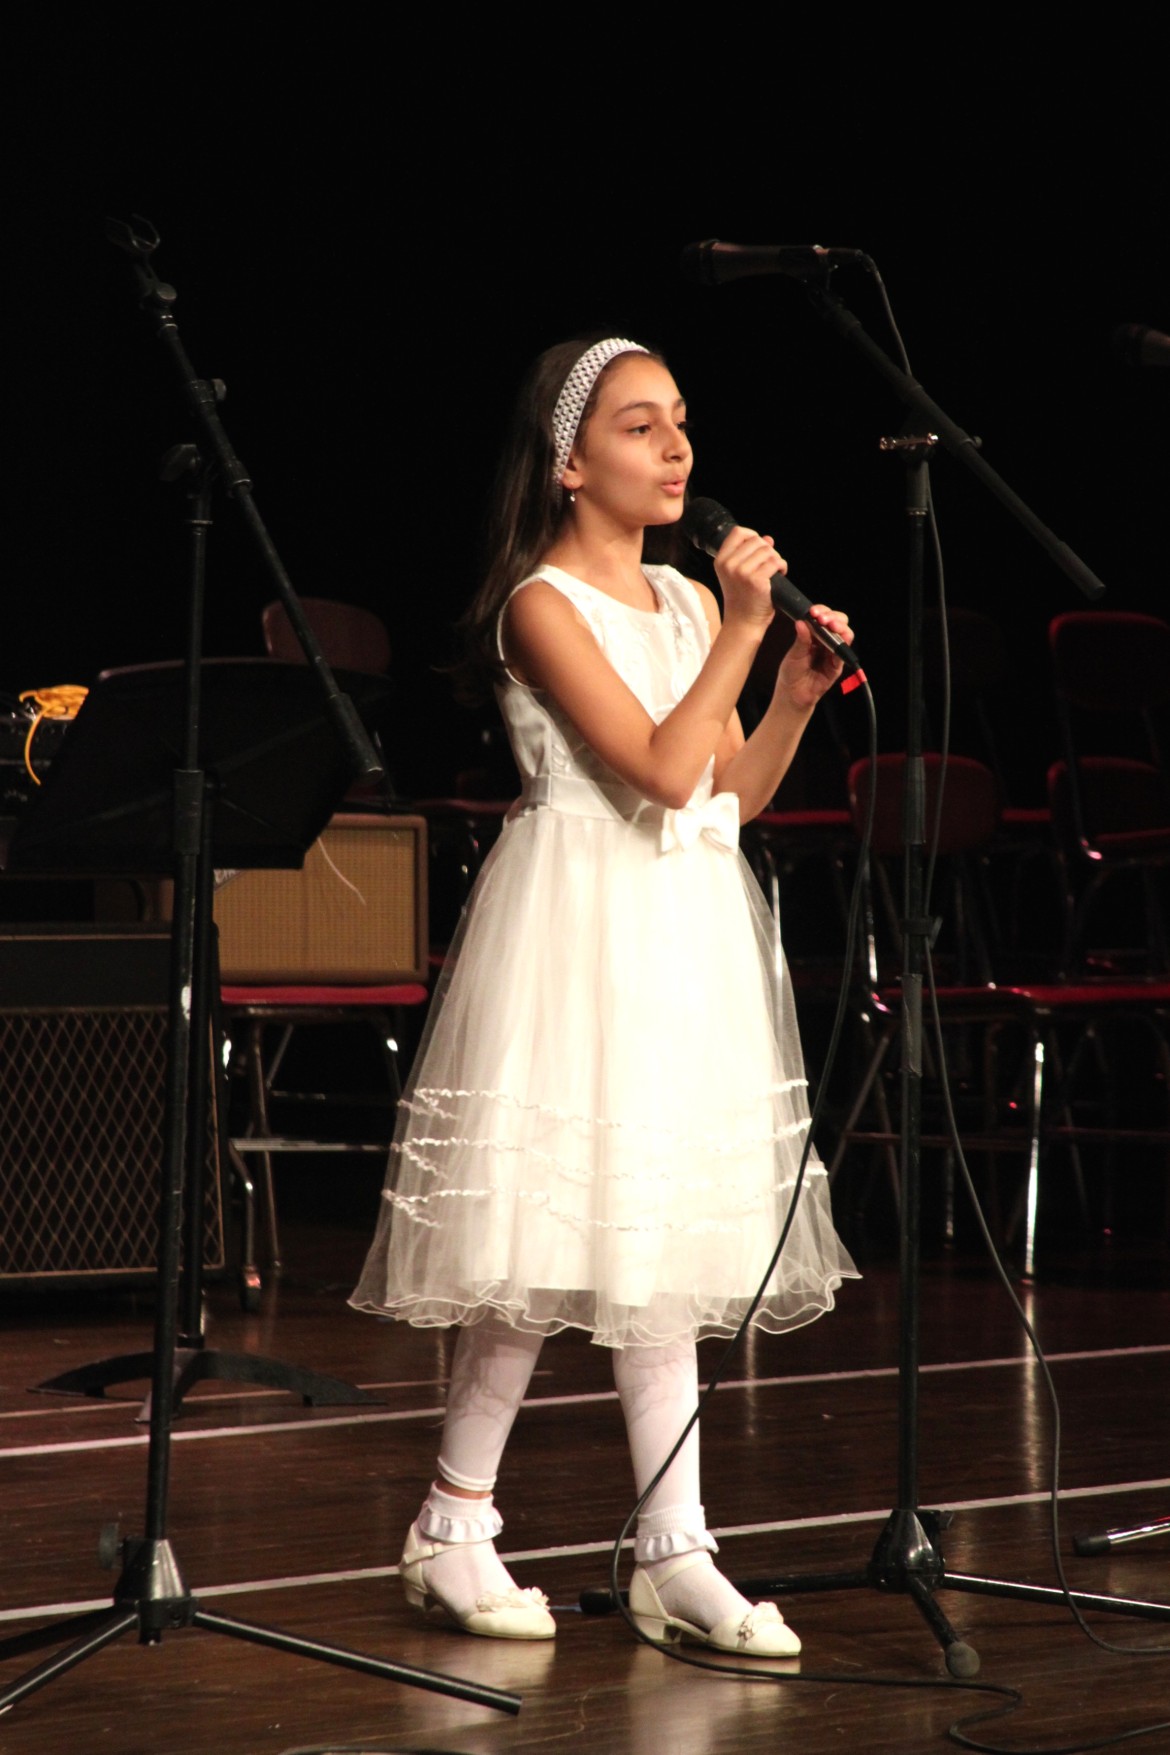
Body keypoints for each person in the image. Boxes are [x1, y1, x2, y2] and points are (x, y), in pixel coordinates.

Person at [351, 334, 859, 1656]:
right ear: (571, 462)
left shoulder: (689, 606)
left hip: (683, 929)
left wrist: (786, 696)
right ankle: (454, 1523)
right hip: (580, 926)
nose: (676, 446)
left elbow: (722, 797)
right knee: (536, 1236)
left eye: (681, 420)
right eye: (640, 426)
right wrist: (746, 632)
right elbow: (643, 770)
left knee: (662, 1249)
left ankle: (672, 1546)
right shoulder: (541, 603)